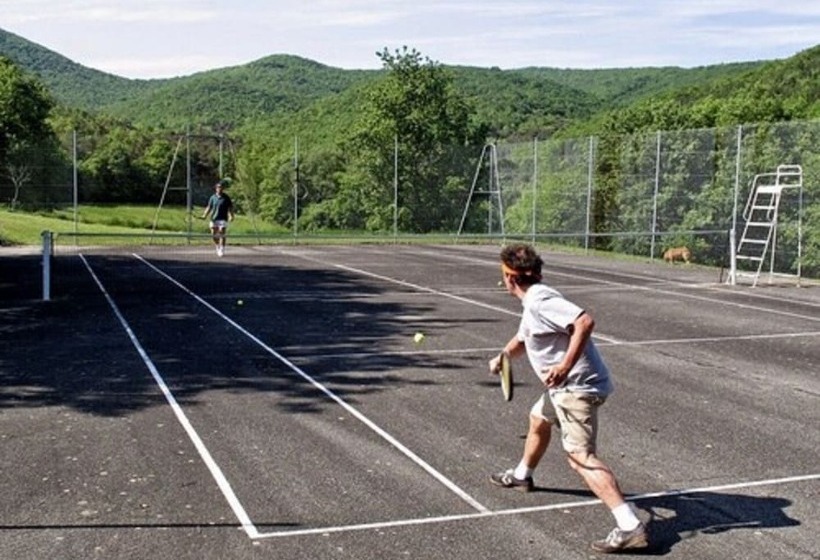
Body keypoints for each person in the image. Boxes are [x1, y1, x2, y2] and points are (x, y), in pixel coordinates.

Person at [488, 243, 648, 553]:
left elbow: (584, 322)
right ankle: (522, 476)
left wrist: (563, 367)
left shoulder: (540, 300)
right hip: (560, 389)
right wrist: (504, 356)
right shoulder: (534, 301)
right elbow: (524, 338)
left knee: (579, 457)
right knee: (538, 419)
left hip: (577, 388)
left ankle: (630, 526)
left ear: (509, 277)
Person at [201, 181, 234, 257]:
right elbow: (209, 207)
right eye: (218, 187)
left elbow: (230, 208)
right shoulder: (212, 197)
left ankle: (222, 249)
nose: (220, 189)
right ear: (216, 189)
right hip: (214, 218)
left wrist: (231, 216)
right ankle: (217, 246)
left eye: (221, 187)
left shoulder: (226, 197)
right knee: (213, 234)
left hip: (223, 218)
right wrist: (204, 215)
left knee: (222, 232)